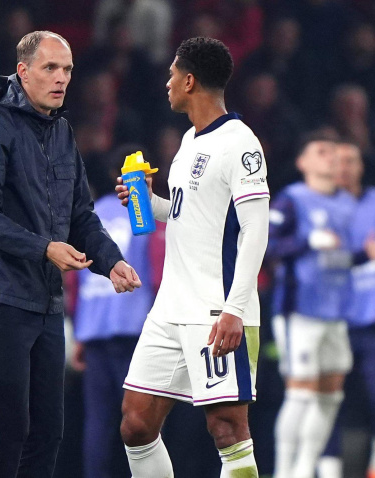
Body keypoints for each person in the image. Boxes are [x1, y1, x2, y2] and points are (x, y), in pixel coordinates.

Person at [0, 30, 141, 478]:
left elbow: (81, 215)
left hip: (45, 300)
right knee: (10, 424)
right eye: (50, 68)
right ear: (23, 72)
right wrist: (44, 248)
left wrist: (111, 260)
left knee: (49, 430)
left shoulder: (62, 132)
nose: (61, 79)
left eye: (68, 70)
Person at [115, 37, 269, 477]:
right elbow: (186, 213)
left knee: (227, 428)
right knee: (136, 423)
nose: (166, 82)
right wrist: (147, 200)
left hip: (216, 309)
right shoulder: (188, 140)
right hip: (170, 307)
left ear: (189, 80)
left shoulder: (241, 143)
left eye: (171, 74)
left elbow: (256, 229)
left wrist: (234, 310)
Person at [267, 135, 375, 478]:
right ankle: (283, 471)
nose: (331, 159)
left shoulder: (347, 205)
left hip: (336, 313)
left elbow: (338, 258)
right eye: (322, 153)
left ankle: (305, 470)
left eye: (335, 154)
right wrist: (307, 241)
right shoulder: (292, 200)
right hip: (299, 311)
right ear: (303, 162)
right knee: (300, 395)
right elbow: (268, 247)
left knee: (329, 397)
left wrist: (364, 256)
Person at [71, 147, 159, 478]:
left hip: (93, 328)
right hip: (136, 325)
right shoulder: (141, 212)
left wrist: (79, 331)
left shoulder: (90, 216)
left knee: (98, 419)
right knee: (141, 418)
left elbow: (77, 279)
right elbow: (156, 266)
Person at [335, 141, 375, 478]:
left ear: (361, 166)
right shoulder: (317, 206)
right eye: (337, 161)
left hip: (374, 322)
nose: (344, 167)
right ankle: (326, 468)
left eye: (351, 160)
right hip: (331, 320)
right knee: (328, 402)